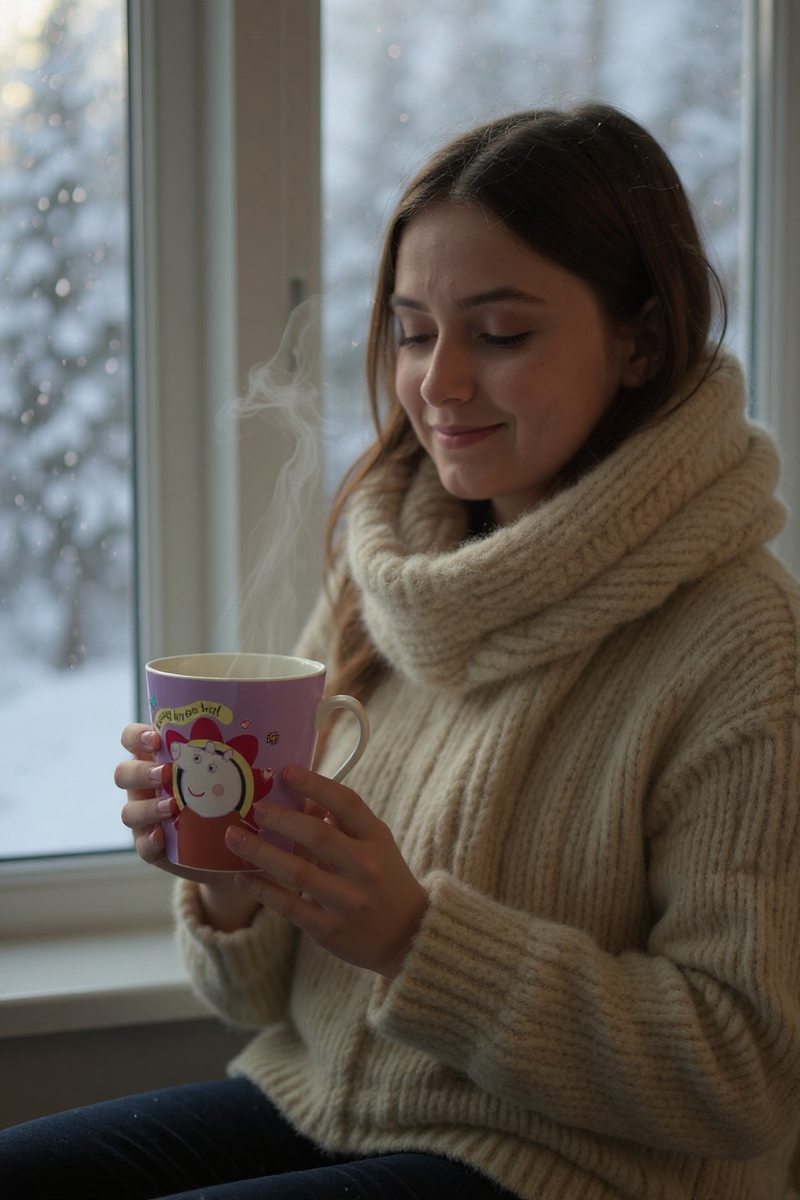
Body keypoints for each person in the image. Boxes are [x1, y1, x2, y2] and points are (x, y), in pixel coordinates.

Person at [2, 102, 800, 1200]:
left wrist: (418, 938)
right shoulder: (385, 577)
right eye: (414, 330)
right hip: (316, 1099)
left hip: (570, 1172)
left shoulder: (738, 640)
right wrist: (227, 875)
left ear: (640, 340)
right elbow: (253, 1001)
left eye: (501, 332)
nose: (436, 383)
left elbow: (744, 1067)